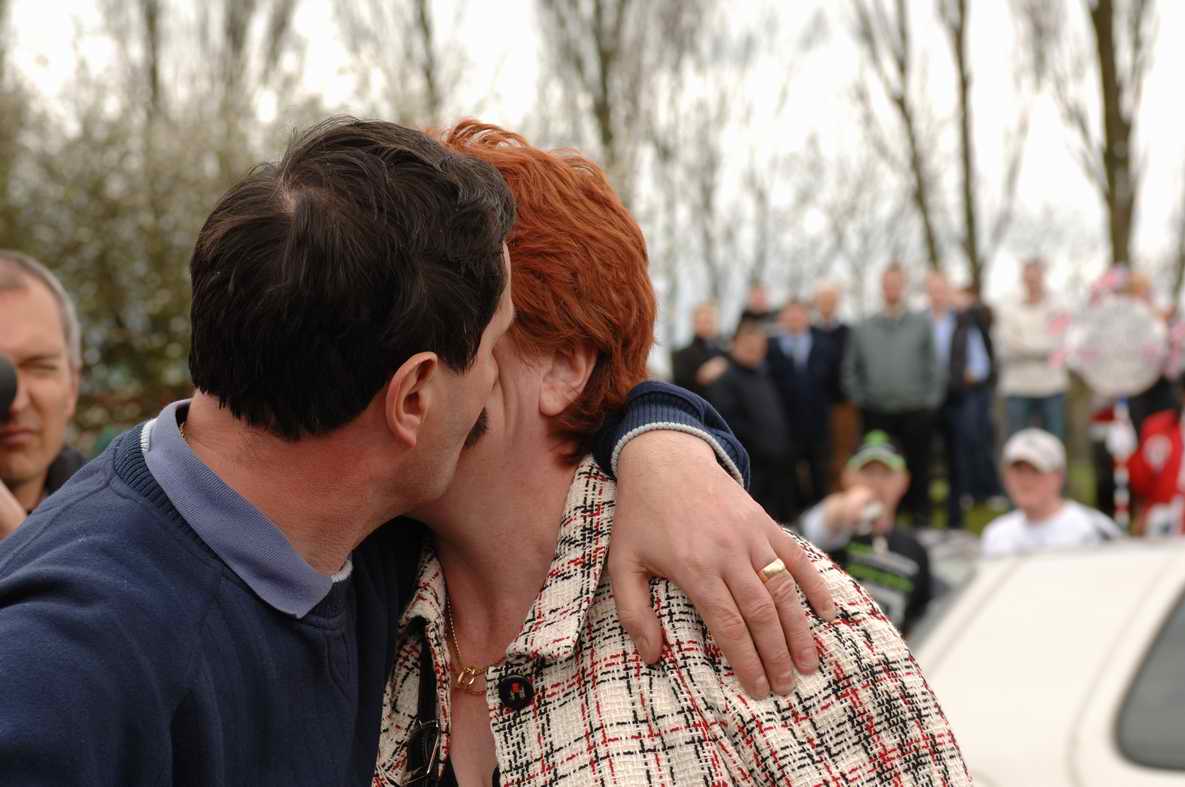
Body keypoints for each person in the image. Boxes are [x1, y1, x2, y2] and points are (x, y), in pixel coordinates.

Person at [0, 118, 835, 785]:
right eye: (494, 344)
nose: (492, 380)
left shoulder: (357, 532)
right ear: (412, 399)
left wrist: (665, 439)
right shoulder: (68, 671)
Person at [374, 122, 969, 787]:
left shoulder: (760, 609)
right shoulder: (357, 604)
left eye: (442, 318)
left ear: (564, 365)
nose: (393, 358)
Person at [800, 431, 934, 636]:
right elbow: (812, 529)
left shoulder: (916, 550)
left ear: (904, 481)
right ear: (847, 477)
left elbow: (920, 620)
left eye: (886, 473)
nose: (876, 482)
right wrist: (843, 509)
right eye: (867, 472)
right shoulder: (836, 532)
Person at [843, 262, 943, 527]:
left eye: (896, 284)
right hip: (877, 413)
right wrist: (861, 398)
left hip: (915, 411)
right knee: (877, 471)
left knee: (918, 467)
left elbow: (934, 366)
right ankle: (879, 521)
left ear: (903, 286)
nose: (892, 289)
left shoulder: (921, 324)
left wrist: (929, 401)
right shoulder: (864, 327)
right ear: (882, 287)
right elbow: (850, 369)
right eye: (887, 284)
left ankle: (921, 519)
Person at [0, 251, 86, 538]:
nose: (16, 402)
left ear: (72, 386)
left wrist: (17, 546)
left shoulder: (129, 524)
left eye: (40, 368)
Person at [981, 428, 1122, 558]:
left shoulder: (1092, 530)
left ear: (1059, 477)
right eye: (1018, 471)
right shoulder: (995, 535)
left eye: (1035, 471)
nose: (1025, 480)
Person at [927, 271, 996, 529]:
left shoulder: (964, 322)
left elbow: (981, 366)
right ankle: (923, 515)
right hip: (925, 401)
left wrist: (962, 377)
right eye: (933, 290)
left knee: (958, 457)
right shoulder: (919, 323)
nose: (938, 295)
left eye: (942, 290)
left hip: (956, 399)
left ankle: (955, 517)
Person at [710, 314, 793, 521]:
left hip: (777, 468)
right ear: (735, 344)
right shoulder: (725, 381)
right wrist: (763, 446)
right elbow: (729, 425)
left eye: (759, 346)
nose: (755, 350)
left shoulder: (763, 374)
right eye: (749, 345)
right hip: (751, 471)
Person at [767, 298, 836, 511]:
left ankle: (819, 514)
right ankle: (793, 516)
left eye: (799, 313)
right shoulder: (770, 347)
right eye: (790, 313)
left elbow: (833, 382)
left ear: (807, 317)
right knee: (787, 474)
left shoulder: (824, 344)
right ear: (782, 318)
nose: (795, 318)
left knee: (819, 471)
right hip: (784, 423)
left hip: (817, 421)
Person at [996, 258, 1068, 440]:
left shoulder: (1059, 305)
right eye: (1028, 278)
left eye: (1036, 277)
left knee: (1054, 443)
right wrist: (1044, 347)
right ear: (1022, 277)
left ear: (1043, 276)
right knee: (1017, 443)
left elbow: (1060, 342)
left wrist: (1023, 344)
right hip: (1017, 388)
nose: (1032, 282)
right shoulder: (1007, 305)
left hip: (1052, 387)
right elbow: (1006, 344)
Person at [814, 282, 856, 489]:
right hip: (816, 405)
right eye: (824, 300)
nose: (828, 305)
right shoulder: (811, 332)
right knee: (820, 456)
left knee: (843, 453)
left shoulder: (848, 332)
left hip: (843, 404)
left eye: (831, 300)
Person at [670, 301, 727, 401]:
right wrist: (701, 377)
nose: (707, 325)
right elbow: (679, 389)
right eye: (704, 321)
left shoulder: (726, 354)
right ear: (694, 322)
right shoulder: (681, 355)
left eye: (710, 320)